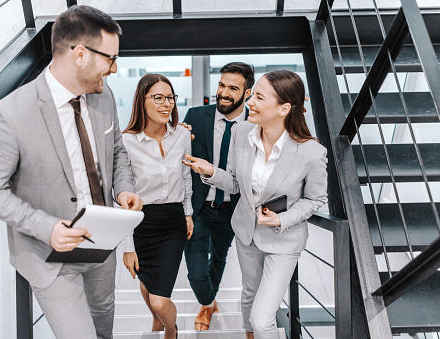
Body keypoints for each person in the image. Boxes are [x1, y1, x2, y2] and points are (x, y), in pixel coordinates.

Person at [0, 6, 142, 339]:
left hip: (101, 244)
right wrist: (47, 228)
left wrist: (123, 189)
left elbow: (117, 150)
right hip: (48, 255)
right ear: (80, 54)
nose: (115, 68)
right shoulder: (9, 114)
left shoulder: (102, 95)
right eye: (110, 58)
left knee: (103, 325)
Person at [184, 70, 328, 339]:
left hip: (283, 241)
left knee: (263, 320)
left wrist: (282, 219)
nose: (249, 102)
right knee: (249, 294)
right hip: (246, 233)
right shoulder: (242, 132)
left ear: (284, 108)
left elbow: (316, 199)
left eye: (258, 97)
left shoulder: (312, 152)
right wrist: (211, 172)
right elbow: (237, 183)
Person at [182, 62, 254, 330]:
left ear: (247, 93)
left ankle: (206, 306)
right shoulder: (195, 115)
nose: (224, 92)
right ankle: (208, 301)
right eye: (221, 85)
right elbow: (181, 159)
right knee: (196, 271)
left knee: (220, 256)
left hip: (233, 208)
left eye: (233, 88)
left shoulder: (254, 125)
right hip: (199, 206)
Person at [121, 73, 194, 339]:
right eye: (158, 98)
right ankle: (156, 322)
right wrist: (128, 247)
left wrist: (187, 213)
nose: (167, 104)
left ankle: (171, 329)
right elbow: (124, 198)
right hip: (141, 222)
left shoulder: (181, 136)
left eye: (170, 98)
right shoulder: (126, 142)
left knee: (160, 300)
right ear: (142, 100)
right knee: (146, 283)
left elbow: (185, 178)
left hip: (172, 220)